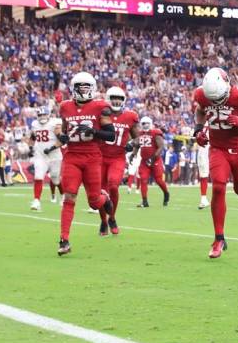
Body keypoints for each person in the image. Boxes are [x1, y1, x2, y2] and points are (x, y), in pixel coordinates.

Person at [192, 67, 238, 259]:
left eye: (219, 98)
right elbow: (200, 111)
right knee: (218, 186)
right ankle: (219, 238)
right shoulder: (202, 95)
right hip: (218, 148)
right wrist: (198, 130)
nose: (216, 102)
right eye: (213, 99)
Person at [57, 71, 114, 256]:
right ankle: (64, 240)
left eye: (86, 87)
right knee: (69, 197)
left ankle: (104, 198)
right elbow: (65, 131)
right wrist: (63, 137)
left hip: (92, 156)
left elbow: (110, 135)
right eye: (79, 87)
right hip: (72, 156)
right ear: (73, 88)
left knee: (95, 202)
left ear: (92, 88)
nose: (82, 90)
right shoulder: (65, 107)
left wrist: (93, 131)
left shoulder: (101, 107)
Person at [98, 86, 139, 236]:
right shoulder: (100, 114)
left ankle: (112, 218)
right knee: (100, 192)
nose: (116, 101)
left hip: (117, 157)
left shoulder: (129, 116)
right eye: (113, 97)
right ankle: (103, 221)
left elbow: (138, 137)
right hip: (100, 157)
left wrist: (131, 144)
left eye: (119, 98)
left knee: (113, 186)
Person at [29, 106, 63, 211]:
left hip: (54, 156)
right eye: (40, 115)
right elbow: (32, 137)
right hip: (40, 156)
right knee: (38, 176)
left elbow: (62, 139)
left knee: (55, 179)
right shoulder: (34, 124)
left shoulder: (55, 123)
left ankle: (63, 195)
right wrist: (30, 148)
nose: (42, 117)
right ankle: (36, 201)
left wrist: (52, 148)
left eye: (44, 114)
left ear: (48, 115)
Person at [133, 116, 170, 208]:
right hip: (144, 161)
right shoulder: (140, 133)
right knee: (143, 179)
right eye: (143, 123)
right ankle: (144, 201)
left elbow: (161, 146)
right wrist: (133, 154)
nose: (145, 125)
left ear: (151, 123)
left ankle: (166, 193)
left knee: (159, 180)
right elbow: (137, 145)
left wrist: (153, 158)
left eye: (147, 123)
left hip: (155, 160)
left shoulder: (155, 132)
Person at [195, 134, 210, 209]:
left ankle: (204, 199)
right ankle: (203, 199)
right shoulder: (203, 126)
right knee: (203, 175)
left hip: (208, 151)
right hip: (203, 152)